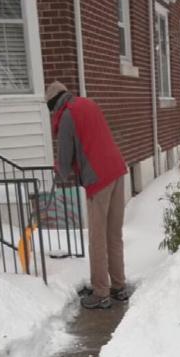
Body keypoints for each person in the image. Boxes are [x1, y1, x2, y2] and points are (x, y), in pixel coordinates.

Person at [45, 81, 129, 310]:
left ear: (53, 104)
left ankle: (101, 292)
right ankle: (119, 287)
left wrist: (58, 173)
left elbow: (64, 159)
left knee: (97, 238)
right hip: (117, 171)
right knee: (113, 234)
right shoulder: (88, 104)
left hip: (99, 179)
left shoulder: (67, 116)